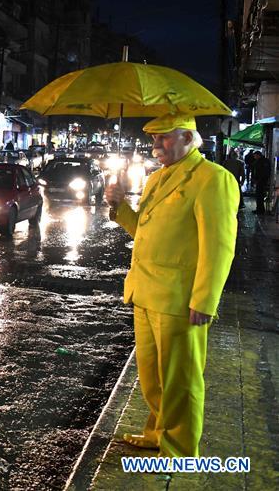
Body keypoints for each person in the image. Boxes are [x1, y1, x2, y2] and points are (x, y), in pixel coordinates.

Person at [105, 113, 238, 458]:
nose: (155, 145)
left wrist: (205, 300)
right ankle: (157, 433)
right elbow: (144, 233)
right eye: (153, 138)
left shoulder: (212, 179)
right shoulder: (155, 179)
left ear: (186, 137)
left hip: (181, 298)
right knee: (152, 376)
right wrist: (119, 206)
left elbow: (218, 246)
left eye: (162, 137)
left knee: (181, 379)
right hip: (145, 291)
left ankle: (179, 448)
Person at [252, 150, 271, 214]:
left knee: (260, 195)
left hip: (261, 181)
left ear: (258, 155)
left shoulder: (264, 161)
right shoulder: (260, 161)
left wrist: (260, 180)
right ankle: (259, 209)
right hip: (259, 181)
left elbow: (265, 172)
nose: (254, 157)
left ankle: (260, 210)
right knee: (258, 195)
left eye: (255, 156)